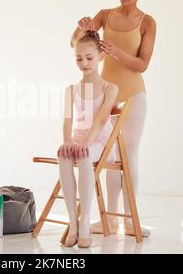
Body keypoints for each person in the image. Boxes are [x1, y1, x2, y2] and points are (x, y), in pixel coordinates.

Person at [70, 0, 157, 237]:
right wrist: (81, 27)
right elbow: (76, 44)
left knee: (128, 156)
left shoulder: (147, 22)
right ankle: (110, 218)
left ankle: (130, 219)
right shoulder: (105, 15)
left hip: (133, 96)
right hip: (105, 96)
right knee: (108, 155)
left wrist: (117, 52)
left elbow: (142, 64)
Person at [57, 30, 118, 248]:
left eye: (89, 58)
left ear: (101, 56)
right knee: (63, 155)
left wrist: (84, 144)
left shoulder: (109, 88)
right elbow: (67, 121)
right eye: (79, 58)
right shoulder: (71, 90)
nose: (84, 63)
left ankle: (85, 222)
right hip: (79, 141)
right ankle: (72, 221)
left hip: (99, 143)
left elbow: (100, 121)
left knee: (83, 156)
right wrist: (68, 142)